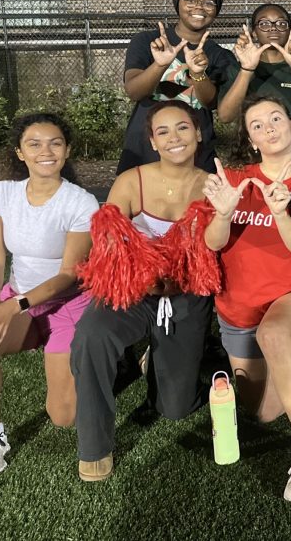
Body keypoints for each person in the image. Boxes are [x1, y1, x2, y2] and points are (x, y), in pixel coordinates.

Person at [71, 100, 214, 482]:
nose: (174, 138)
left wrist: (178, 279)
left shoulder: (214, 183)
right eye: (163, 132)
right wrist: (146, 276)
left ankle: (160, 357)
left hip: (185, 295)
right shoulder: (131, 180)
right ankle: (95, 446)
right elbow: (108, 247)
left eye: (183, 128)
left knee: (175, 408)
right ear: (152, 141)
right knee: (91, 335)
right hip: (131, 290)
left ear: (198, 133)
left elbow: (214, 253)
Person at [203, 94, 291, 502]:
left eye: (276, 118)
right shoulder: (235, 181)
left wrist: (280, 213)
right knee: (262, 412)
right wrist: (223, 212)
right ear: (250, 137)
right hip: (238, 310)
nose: (269, 128)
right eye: (257, 124)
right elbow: (211, 243)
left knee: (276, 336)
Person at [0, 113, 99, 476]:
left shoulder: (81, 203)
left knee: (64, 417)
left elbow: (69, 274)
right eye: (34, 144)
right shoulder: (1, 193)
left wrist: (12, 307)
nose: (45, 151)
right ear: (20, 153)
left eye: (54, 143)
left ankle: (101, 358)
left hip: (69, 304)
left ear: (67, 150)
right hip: (16, 298)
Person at [119, 0, 234, 174]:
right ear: (177, 2)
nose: (199, 7)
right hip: (145, 153)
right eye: (191, 0)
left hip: (196, 158)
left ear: (216, 10)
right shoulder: (148, 41)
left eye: (208, 2)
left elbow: (211, 102)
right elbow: (134, 91)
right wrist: (160, 64)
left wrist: (199, 74)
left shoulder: (220, 56)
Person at [219, 3, 291, 175]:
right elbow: (225, 116)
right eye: (264, 24)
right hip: (255, 165)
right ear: (254, 32)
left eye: (281, 23)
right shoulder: (239, 70)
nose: (273, 28)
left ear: (290, 30)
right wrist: (247, 69)